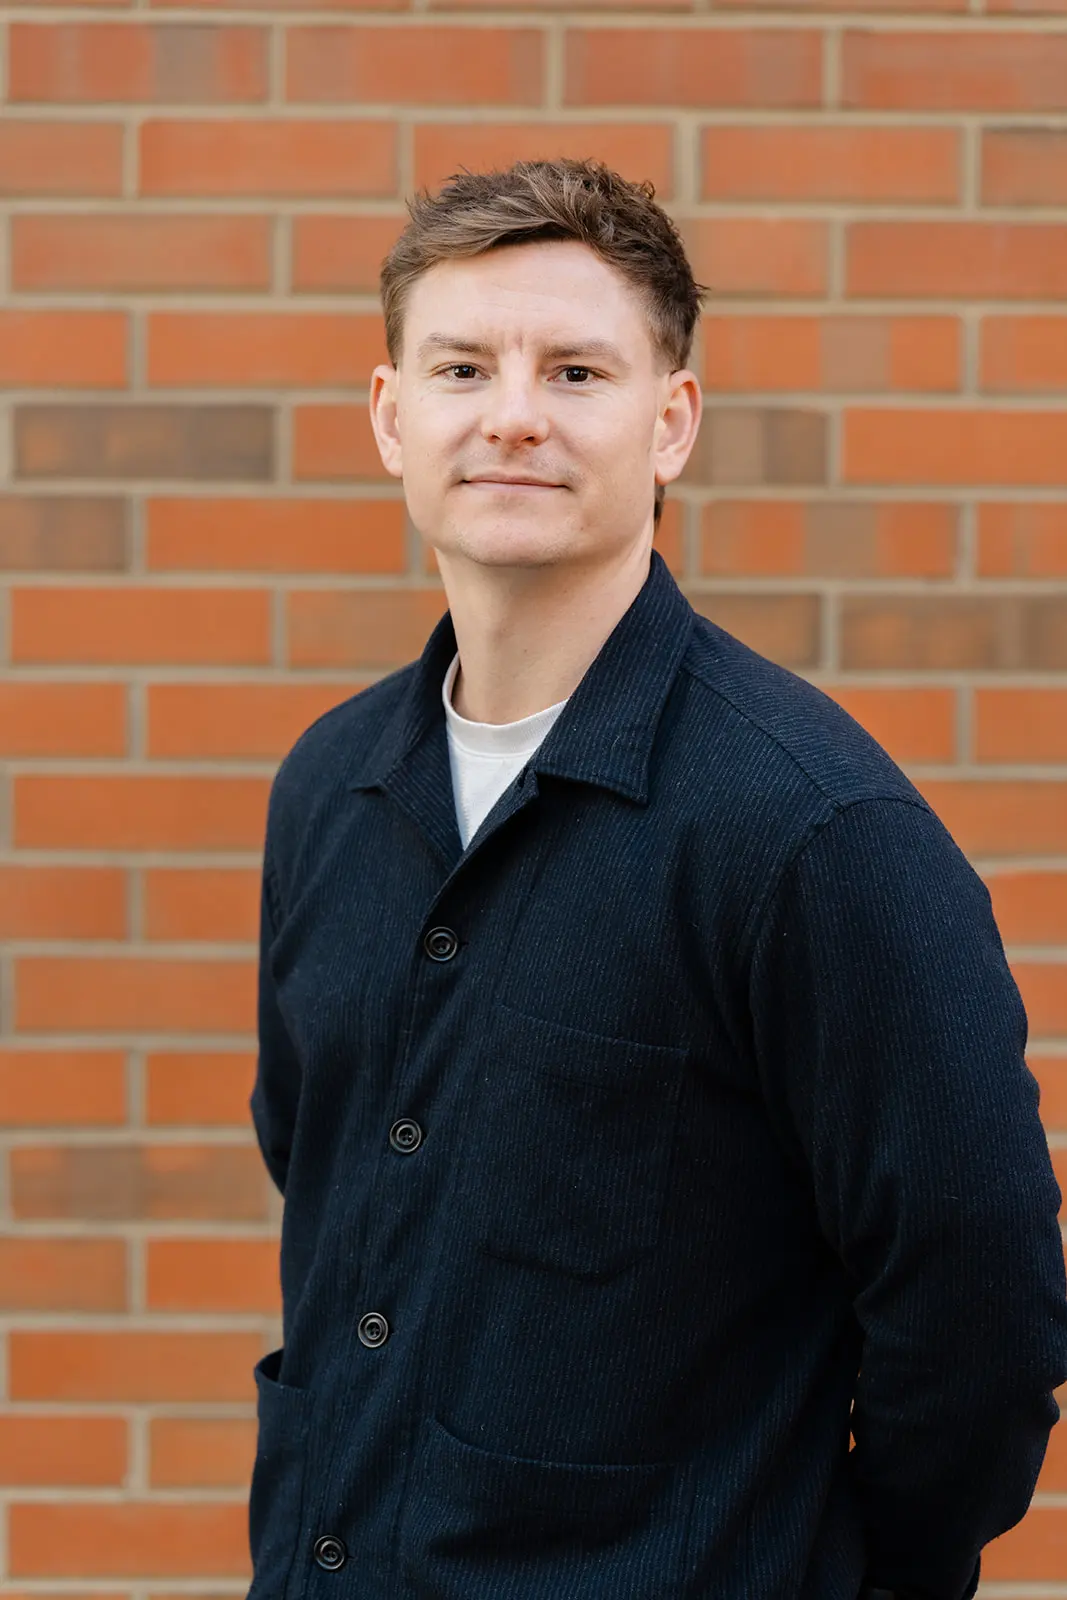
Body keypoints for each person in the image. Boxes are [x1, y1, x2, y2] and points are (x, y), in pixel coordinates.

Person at [249, 158, 1067, 1600]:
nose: (512, 414)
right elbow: (330, 1195)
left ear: (669, 423)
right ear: (390, 418)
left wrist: (853, 1565)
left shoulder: (812, 831)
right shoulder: (330, 790)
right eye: (460, 367)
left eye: (575, 370)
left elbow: (981, 1305)